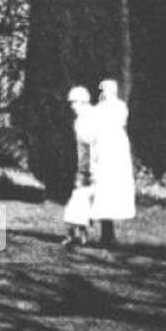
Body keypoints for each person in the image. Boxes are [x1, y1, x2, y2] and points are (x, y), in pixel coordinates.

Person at [89, 79, 135, 248]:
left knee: (112, 190)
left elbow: (117, 123)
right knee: (102, 190)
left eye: (106, 90)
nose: (103, 93)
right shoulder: (99, 109)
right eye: (102, 90)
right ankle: (105, 232)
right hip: (103, 150)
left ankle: (109, 233)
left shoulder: (119, 108)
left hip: (115, 153)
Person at [61, 86, 95, 248]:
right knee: (80, 201)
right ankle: (79, 234)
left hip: (92, 168)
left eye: (74, 102)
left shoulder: (91, 119)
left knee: (80, 201)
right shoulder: (79, 121)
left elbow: (94, 147)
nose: (72, 106)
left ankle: (75, 235)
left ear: (82, 101)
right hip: (83, 168)